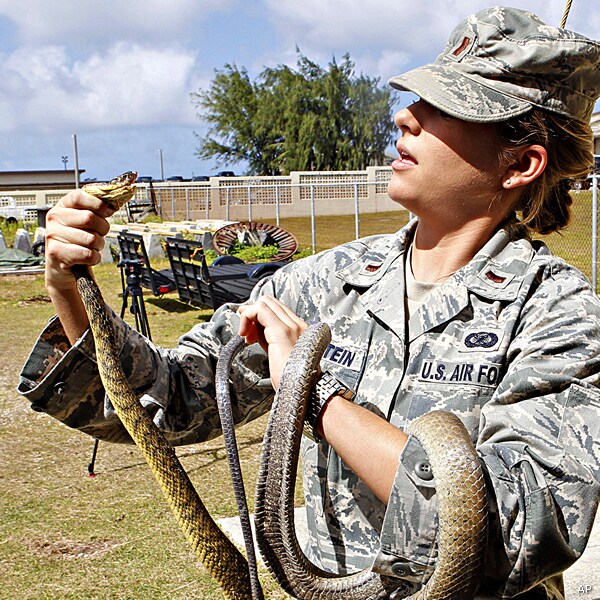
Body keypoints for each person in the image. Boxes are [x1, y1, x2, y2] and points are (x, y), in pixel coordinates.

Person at [18, 6, 600, 599]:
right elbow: (168, 401)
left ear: (521, 164)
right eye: (418, 99)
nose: (406, 116)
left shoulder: (559, 317)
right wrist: (70, 288)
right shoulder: (326, 282)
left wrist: (312, 390)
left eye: (447, 109)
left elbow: (513, 527)